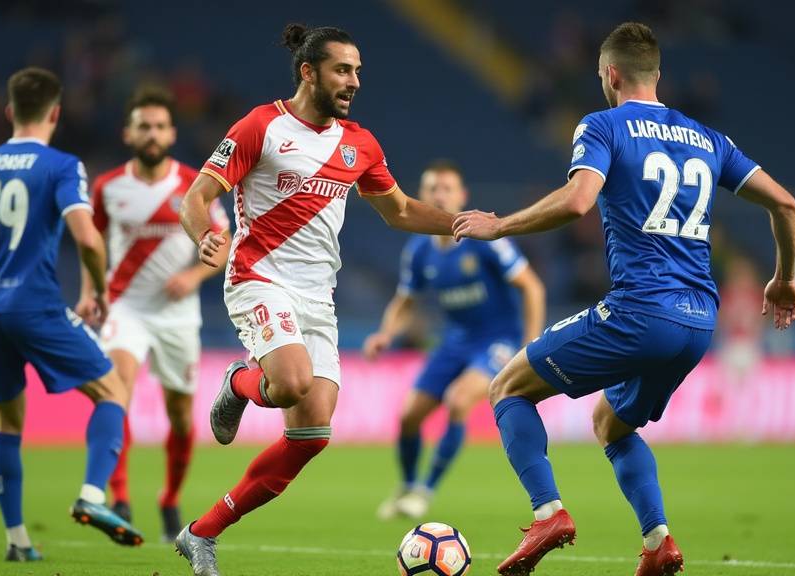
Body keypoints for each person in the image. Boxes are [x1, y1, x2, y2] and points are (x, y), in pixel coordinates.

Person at [453, 22, 795, 576]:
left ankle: (548, 513)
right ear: (657, 75)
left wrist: (499, 226)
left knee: (508, 387)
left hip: (641, 310)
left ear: (610, 75)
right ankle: (658, 540)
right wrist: (783, 278)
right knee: (612, 423)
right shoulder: (709, 139)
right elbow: (785, 204)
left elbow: (576, 202)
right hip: (698, 324)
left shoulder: (603, 125)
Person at [174, 23, 456, 576]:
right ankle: (238, 380)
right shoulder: (262, 125)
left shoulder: (360, 144)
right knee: (292, 383)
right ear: (309, 72)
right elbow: (198, 194)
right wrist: (203, 232)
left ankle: (201, 532)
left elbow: (399, 211)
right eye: (342, 70)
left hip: (316, 296)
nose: (353, 81)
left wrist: (466, 223)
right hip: (258, 277)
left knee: (311, 435)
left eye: (357, 72)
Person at [0, 67, 144, 561]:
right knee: (112, 390)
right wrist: (96, 290)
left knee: (7, 422)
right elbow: (87, 237)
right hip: (34, 303)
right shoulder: (61, 166)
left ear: (8, 112)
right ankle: (91, 496)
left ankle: (18, 541)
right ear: (56, 114)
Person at [77, 86, 232, 542]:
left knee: (181, 417)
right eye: (144, 125)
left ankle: (169, 499)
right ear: (128, 133)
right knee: (115, 391)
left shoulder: (194, 184)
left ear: (172, 132)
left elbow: (223, 243)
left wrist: (194, 278)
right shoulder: (108, 186)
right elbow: (92, 248)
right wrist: (90, 292)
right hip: (125, 306)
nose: (152, 133)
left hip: (177, 314)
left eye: (160, 126)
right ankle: (120, 497)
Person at [365, 160, 545, 520]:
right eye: (433, 189)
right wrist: (386, 333)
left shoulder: (486, 241)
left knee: (459, 400)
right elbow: (406, 301)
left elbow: (532, 287)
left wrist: (530, 344)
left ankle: (425, 491)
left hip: (497, 340)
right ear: (421, 196)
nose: (440, 195)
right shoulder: (419, 251)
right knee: (408, 417)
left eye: (447, 188)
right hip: (454, 342)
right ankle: (407, 485)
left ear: (462, 196)